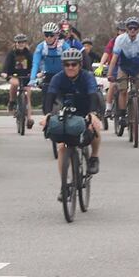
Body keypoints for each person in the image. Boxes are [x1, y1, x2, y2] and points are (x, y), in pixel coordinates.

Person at [39, 49, 102, 199]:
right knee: (62, 147)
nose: (70, 67)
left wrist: (93, 114)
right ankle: (65, 185)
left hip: (87, 108)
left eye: (74, 64)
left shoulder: (87, 77)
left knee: (94, 130)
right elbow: (50, 97)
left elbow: (93, 95)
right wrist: (47, 114)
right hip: (66, 110)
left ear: (80, 65)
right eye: (67, 64)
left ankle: (94, 156)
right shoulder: (58, 78)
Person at [108, 16, 139, 125]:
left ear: (138, 29)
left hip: (137, 67)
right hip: (124, 66)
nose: (133, 30)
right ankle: (122, 116)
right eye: (130, 28)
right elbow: (114, 58)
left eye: (135, 28)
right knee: (123, 90)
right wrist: (110, 74)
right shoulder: (120, 39)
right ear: (127, 29)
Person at [30, 22, 71, 114]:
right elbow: (35, 63)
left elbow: (72, 60)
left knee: (68, 96)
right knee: (46, 98)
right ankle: (47, 117)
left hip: (62, 74)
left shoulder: (63, 45)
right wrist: (32, 78)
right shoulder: (41, 47)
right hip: (48, 75)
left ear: (56, 35)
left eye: (51, 35)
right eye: (46, 35)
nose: (48, 38)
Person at [1, 33, 35, 128]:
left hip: (25, 77)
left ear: (25, 43)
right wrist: (5, 73)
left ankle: (29, 118)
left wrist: (36, 73)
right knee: (15, 84)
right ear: (15, 43)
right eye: (19, 42)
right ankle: (12, 101)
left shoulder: (28, 54)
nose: (21, 44)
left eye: (23, 42)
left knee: (28, 94)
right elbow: (6, 66)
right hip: (14, 76)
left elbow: (34, 65)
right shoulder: (11, 54)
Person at [95, 21, 127, 118]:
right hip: (114, 66)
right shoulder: (113, 41)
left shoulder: (130, 41)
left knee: (126, 88)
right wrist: (101, 65)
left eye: (125, 31)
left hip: (126, 66)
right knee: (112, 85)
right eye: (121, 30)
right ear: (118, 32)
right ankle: (108, 108)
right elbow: (106, 53)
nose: (123, 33)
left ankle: (127, 108)